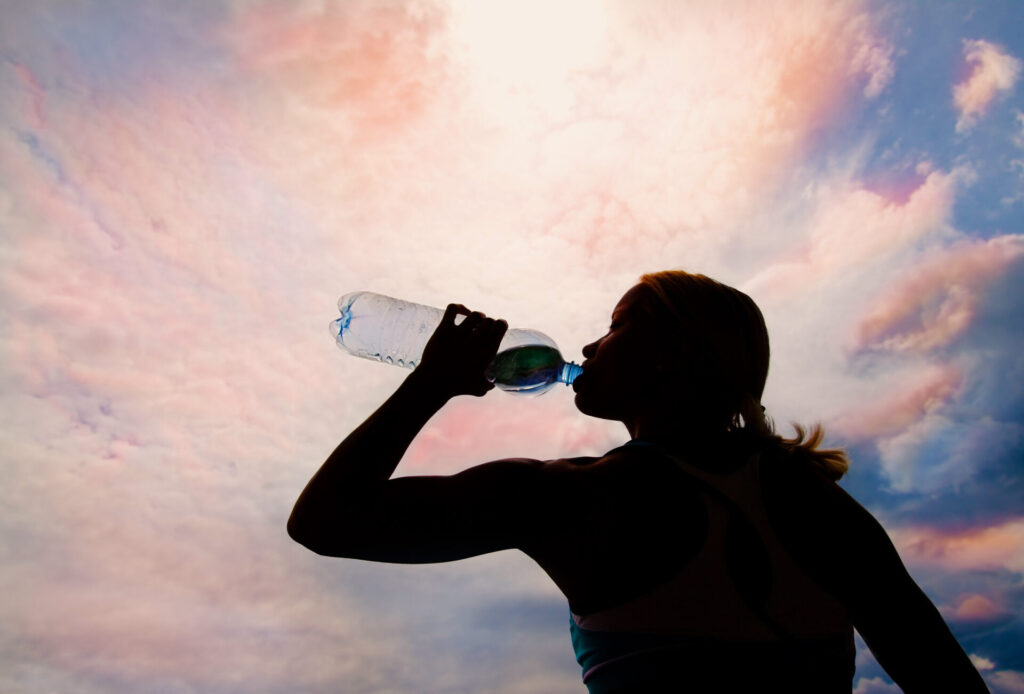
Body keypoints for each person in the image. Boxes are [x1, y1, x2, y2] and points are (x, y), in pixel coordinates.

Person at [288, 270, 989, 693]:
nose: (589, 346)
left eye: (619, 325)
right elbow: (943, 679)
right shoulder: (814, 500)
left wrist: (429, 386)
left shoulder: (577, 497)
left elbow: (323, 523)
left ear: (672, 354)